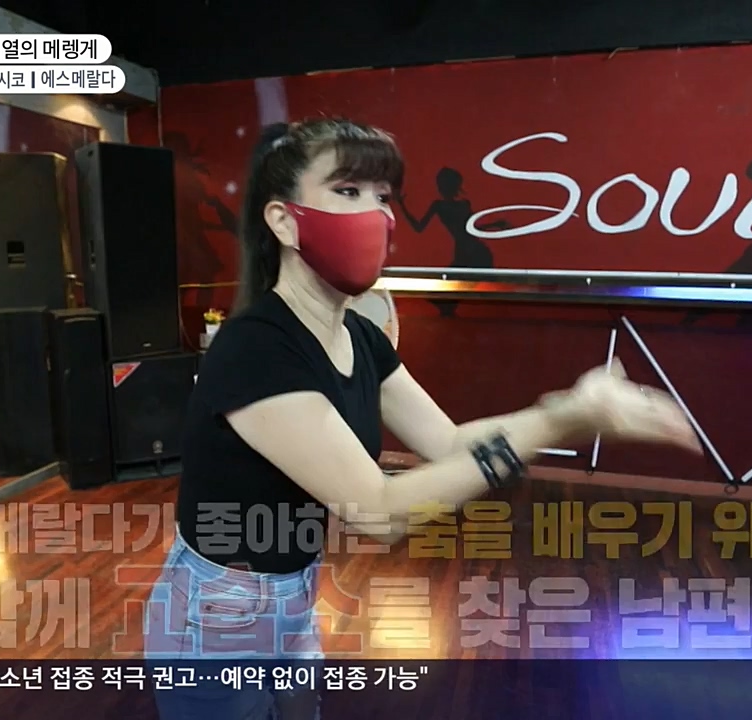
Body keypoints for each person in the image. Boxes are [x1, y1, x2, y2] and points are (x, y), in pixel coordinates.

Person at [142, 118, 702, 719]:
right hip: (219, 610)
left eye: (383, 196)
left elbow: (448, 441)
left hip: (293, 588)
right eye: (348, 190)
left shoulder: (361, 337)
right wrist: (561, 423)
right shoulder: (257, 347)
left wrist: (565, 410)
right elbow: (377, 511)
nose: (376, 213)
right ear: (283, 220)